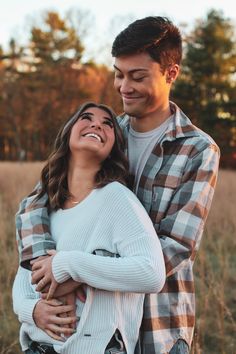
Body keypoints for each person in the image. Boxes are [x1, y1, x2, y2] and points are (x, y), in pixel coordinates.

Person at [14, 16, 220, 354]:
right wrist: (44, 274)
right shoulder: (108, 134)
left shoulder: (197, 149)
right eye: (118, 74)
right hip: (88, 323)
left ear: (171, 73)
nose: (124, 87)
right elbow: (37, 204)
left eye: (138, 76)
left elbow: (177, 245)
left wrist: (76, 272)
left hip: (158, 321)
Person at [12, 102, 166, 354]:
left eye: (107, 124)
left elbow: (152, 273)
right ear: (69, 132)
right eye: (86, 117)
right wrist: (31, 310)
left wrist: (67, 264)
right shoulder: (42, 205)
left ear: (113, 148)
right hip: (37, 347)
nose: (96, 124)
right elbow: (24, 274)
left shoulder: (116, 198)